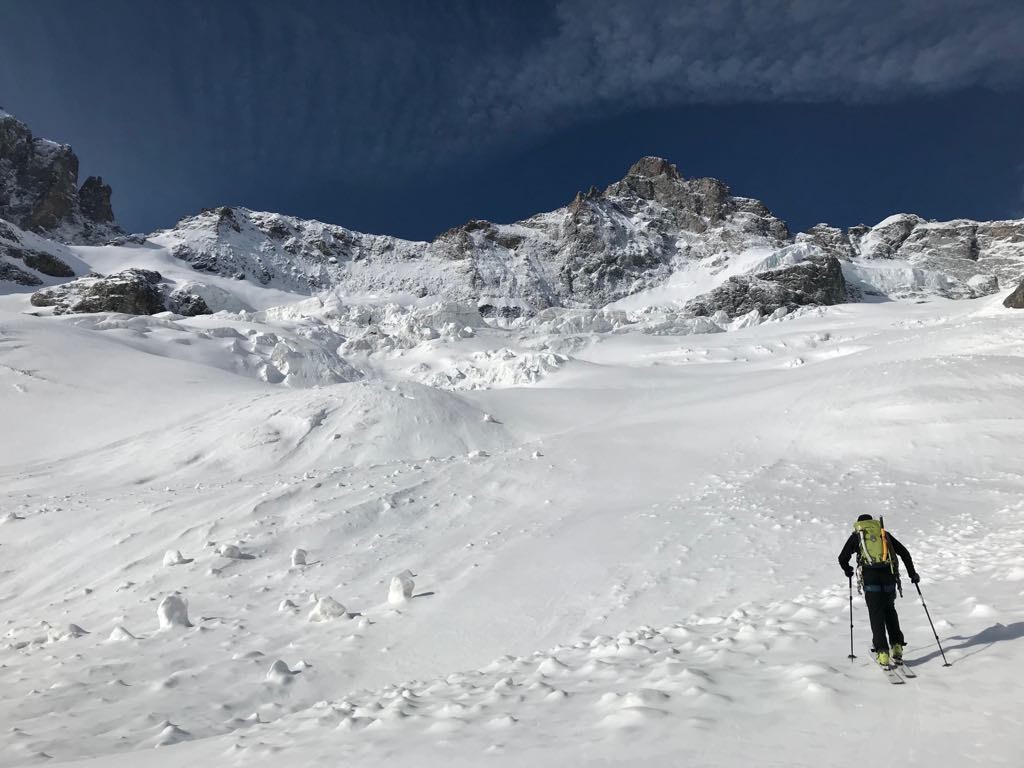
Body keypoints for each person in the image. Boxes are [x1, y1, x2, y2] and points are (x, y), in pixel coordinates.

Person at [837, 514, 920, 667]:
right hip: (889, 578)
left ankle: (882, 652)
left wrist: (847, 570)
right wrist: (912, 573)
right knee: (889, 611)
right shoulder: (883, 534)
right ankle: (896, 646)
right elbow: (904, 552)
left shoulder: (858, 536)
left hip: (871, 579)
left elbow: (842, 557)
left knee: (876, 614)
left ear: (860, 524)